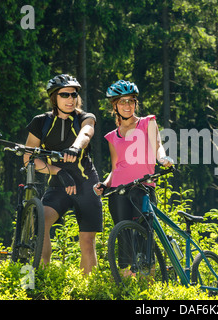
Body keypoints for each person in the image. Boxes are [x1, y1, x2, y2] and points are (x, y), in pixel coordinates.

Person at [24, 74, 102, 275]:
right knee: (40, 223)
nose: (70, 99)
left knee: (87, 240)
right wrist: (57, 171)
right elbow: (29, 158)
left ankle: (87, 291)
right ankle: (43, 279)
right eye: (64, 95)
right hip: (58, 185)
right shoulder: (41, 122)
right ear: (54, 98)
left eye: (73, 94)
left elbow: (86, 133)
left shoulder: (85, 117)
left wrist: (75, 148)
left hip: (86, 183)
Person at [93, 80, 172, 269]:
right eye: (122, 102)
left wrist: (163, 159)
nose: (127, 105)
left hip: (143, 186)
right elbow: (115, 167)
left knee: (145, 236)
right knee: (124, 237)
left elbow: (158, 146)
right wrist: (104, 184)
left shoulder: (147, 122)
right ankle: (126, 286)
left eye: (131, 101)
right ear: (115, 106)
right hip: (119, 190)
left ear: (136, 103)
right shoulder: (112, 136)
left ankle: (148, 287)